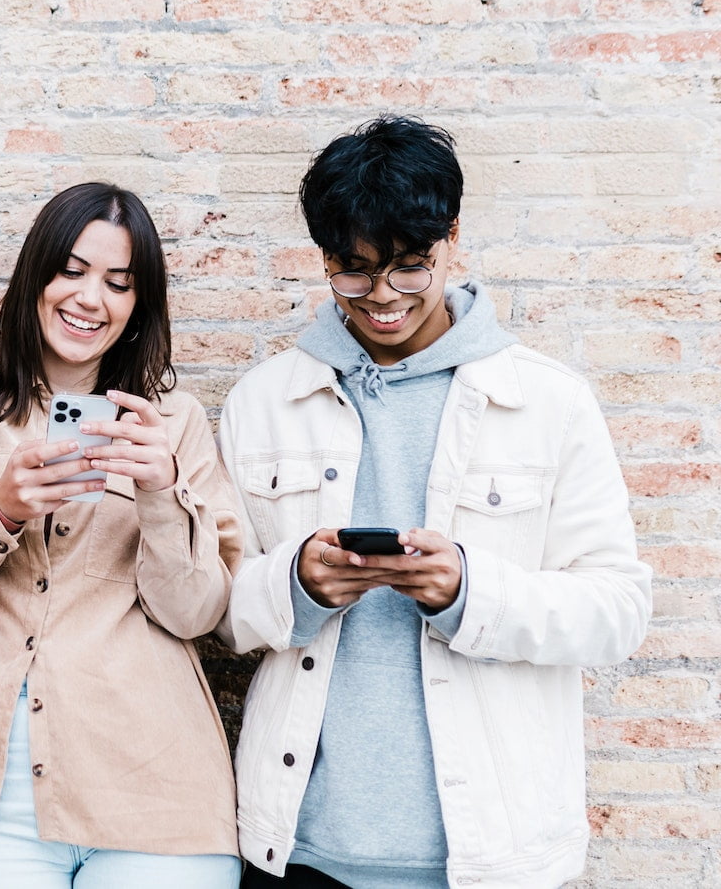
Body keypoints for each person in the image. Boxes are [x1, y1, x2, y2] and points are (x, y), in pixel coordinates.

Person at [218, 115, 652, 889]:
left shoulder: (547, 402)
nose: (381, 297)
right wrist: (296, 584)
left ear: (453, 238)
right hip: (302, 849)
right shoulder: (264, 401)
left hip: (491, 857)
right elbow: (216, 605)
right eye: (352, 270)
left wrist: (469, 592)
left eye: (410, 267)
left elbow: (617, 609)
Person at [0, 181, 243, 888]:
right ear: (36, 274)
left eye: (120, 284)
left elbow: (200, 611)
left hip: (159, 795)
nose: (91, 298)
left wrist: (161, 490)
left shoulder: (173, 422)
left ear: (138, 307)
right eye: (73, 270)